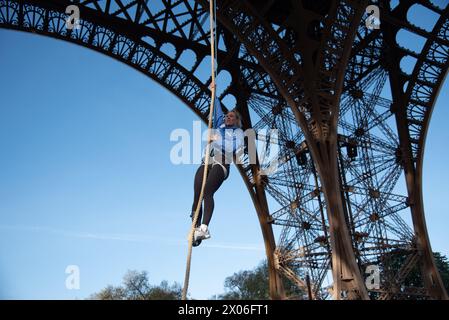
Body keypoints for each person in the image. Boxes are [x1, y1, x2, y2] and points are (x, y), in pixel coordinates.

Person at [189, 96, 244, 246]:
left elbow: (233, 147)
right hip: (207, 160)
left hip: (222, 161)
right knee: (197, 196)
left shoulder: (238, 132)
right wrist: (215, 94)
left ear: (236, 120)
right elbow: (217, 110)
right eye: (227, 115)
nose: (228, 117)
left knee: (207, 192)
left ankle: (204, 228)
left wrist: (216, 139)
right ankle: (195, 228)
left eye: (231, 116)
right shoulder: (220, 125)